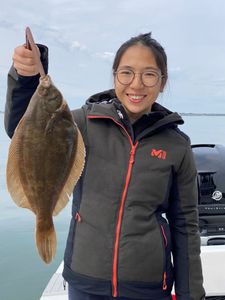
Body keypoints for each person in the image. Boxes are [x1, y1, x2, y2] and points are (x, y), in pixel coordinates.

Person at [4, 32, 205, 300]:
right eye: (126, 72)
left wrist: (191, 294)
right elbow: (25, 128)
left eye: (149, 74)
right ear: (114, 76)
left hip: (148, 286)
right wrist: (26, 78)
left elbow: (185, 225)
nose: (136, 84)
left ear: (162, 82)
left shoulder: (177, 145)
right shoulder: (82, 124)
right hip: (86, 282)